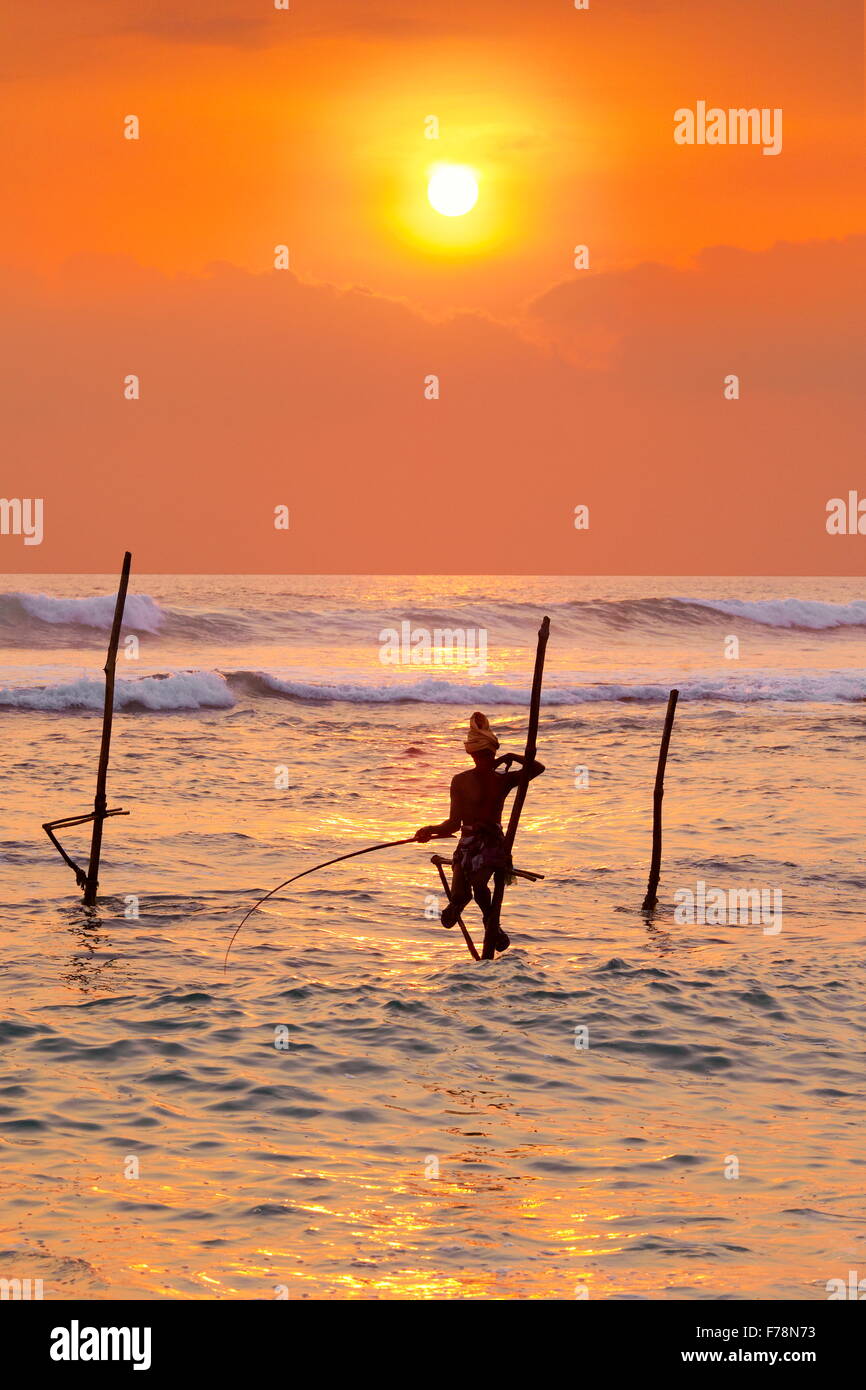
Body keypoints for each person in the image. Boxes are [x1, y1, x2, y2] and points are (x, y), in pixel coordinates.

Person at [415, 712, 544, 954]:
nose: (484, 759)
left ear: (493, 754)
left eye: (489, 754)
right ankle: (460, 907)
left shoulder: (503, 780)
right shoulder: (460, 781)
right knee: (460, 893)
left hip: (493, 843)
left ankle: (490, 924)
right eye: (480, 755)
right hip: (467, 842)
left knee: (479, 883)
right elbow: (453, 824)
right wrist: (429, 830)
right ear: (473, 755)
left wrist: (512, 756)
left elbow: (537, 768)